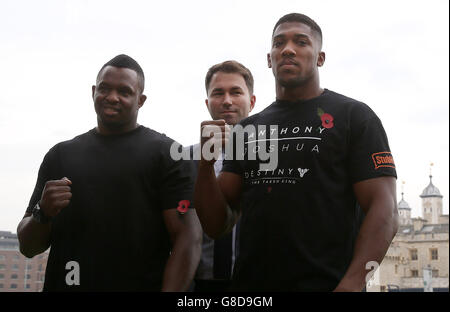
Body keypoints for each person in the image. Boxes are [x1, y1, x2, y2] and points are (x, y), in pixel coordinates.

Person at [194, 13, 399, 291]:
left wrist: (352, 284)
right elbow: (217, 225)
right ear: (269, 59)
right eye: (279, 43)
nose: (288, 49)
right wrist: (205, 166)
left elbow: (384, 210)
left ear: (320, 57)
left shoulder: (355, 116)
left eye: (301, 42)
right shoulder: (248, 128)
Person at [17, 54, 202, 291]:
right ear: (93, 91)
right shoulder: (60, 155)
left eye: (124, 92)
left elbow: (189, 239)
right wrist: (43, 212)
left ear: (141, 100)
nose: (112, 97)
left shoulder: (169, 154)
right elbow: (28, 247)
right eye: (104, 89)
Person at [191, 60, 256, 292]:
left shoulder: (271, 158)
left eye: (236, 92)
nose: (227, 100)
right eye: (218, 93)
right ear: (208, 103)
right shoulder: (184, 159)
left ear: (252, 101)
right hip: (199, 284)